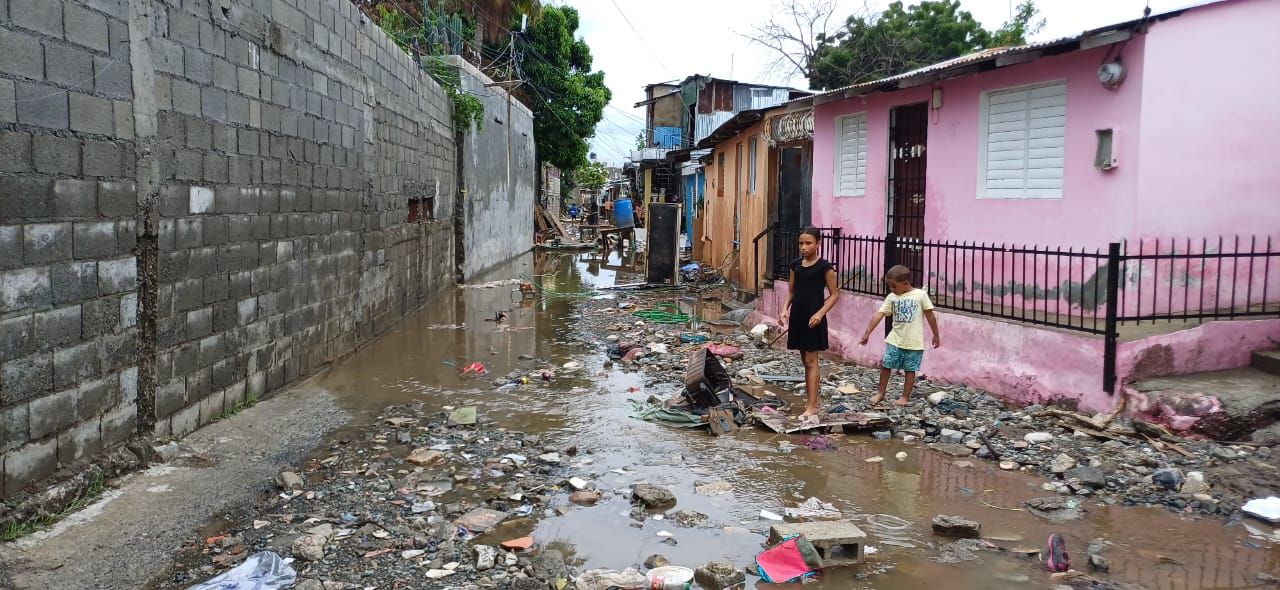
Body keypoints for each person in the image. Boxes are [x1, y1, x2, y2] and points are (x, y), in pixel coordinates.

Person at [778, 228, 840, 418]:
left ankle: (812, 406)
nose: (804, 247)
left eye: (808, 243)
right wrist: (783, 310)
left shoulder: (825, 267)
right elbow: (791, 290)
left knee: (812, 361)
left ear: (818, 244)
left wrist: (820, 314)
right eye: (801, 244)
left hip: (814, 319)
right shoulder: (795, 265)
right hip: (797, 317)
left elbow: (835, 294)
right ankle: (812, 401)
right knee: (805, 361)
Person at [859, 265, 941, 406]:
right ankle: (880, 393)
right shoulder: (892, 297)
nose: (891, 289)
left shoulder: (920, 295)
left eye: (894, 286)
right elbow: (880, 314)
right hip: (895, 339)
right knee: (886, 365)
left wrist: (936, 334)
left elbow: (930, 315)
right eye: (890, 286)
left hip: (914, 342)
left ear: (906, 283)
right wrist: (867, 332)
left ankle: (905, 397)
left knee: (910, 370)